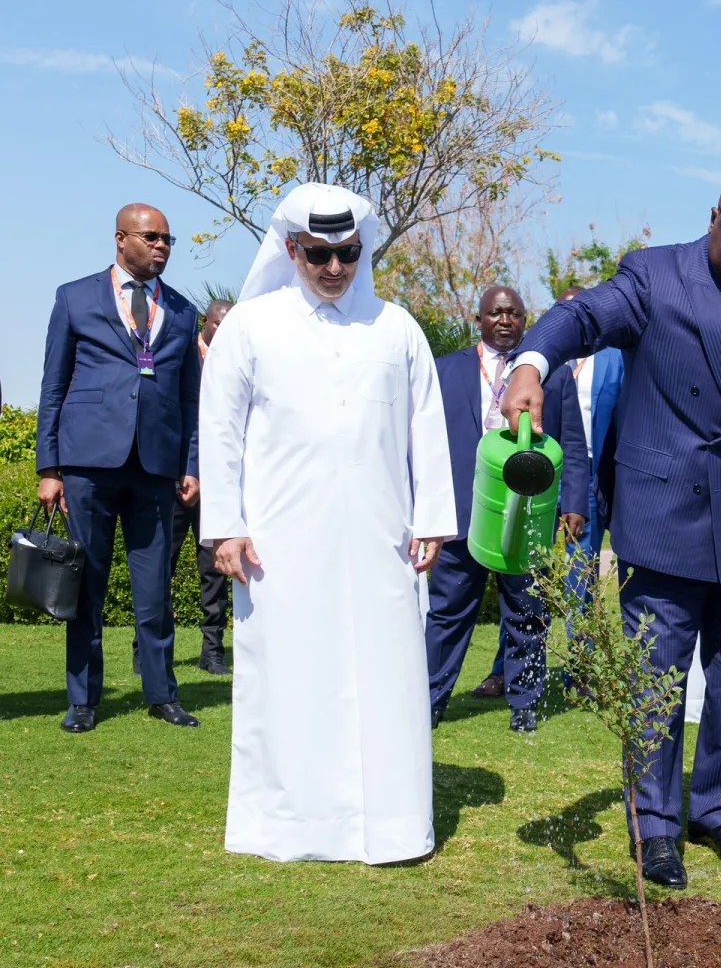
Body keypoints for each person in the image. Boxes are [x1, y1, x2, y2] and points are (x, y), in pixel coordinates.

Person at [501, 166, 721, 890]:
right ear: (714, 218)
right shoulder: (654, 277)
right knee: (655, 682)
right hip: (661, 520)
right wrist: (530, 363)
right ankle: (655, 827)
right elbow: (581, 318)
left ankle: (716, 810)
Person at [198, 182, 456, 865]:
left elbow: (426, 425)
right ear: (291, 250)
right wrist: (226, 526)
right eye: (319, 254)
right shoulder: (251, 326)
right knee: (288, 677)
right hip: (280, 544)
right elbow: (219, 430)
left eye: (348, 253)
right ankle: (288, 824)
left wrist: (433, 517)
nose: (335, 268)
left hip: (381, 537)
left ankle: (392, 825)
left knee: (387, 677)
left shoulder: (396, 327)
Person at [36, 203, 202, 734]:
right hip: (88, 464)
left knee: (155, 590)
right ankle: (83, 700)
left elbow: (191, 399)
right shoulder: (75, 297)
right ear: (120, 239)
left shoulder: (182, 311)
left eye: (168, 239)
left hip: (155, 467)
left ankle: (163, 694)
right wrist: (50, 467)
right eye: (151, 237)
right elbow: (54, 386)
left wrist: (191, 464)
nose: (161, 247)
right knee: (86, 586)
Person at [425, 285, 588, 732]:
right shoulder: (445, 371)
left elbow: (574, 444)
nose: (504, 320)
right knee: (448, 612)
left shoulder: (550, 376)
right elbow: (425, 443)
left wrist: (574, 503)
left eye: (513, 313)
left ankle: (525, 706)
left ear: (524, 321)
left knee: (528, 612)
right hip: (463, 512)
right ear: (478, 320)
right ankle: (428, 702)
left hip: (529, 512)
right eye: (495, 313)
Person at [470, 283, 616, 701]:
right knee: (523, 578)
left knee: (579, 582)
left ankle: (580, 672)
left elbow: (594, 433)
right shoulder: (535, 360)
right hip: (534, 476)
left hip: (585, 482)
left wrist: (580, 498)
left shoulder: (611, 360)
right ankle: (505, 670)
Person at [133, 299, 234, 678]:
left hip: (216, 486)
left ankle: (213, 653)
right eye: (219, 325)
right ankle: (146, 651)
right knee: (160, 569)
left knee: (214, 573)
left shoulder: (235, 362)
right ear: (206, 322)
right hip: (175, 481)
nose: (224, 333)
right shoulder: (179, 354)